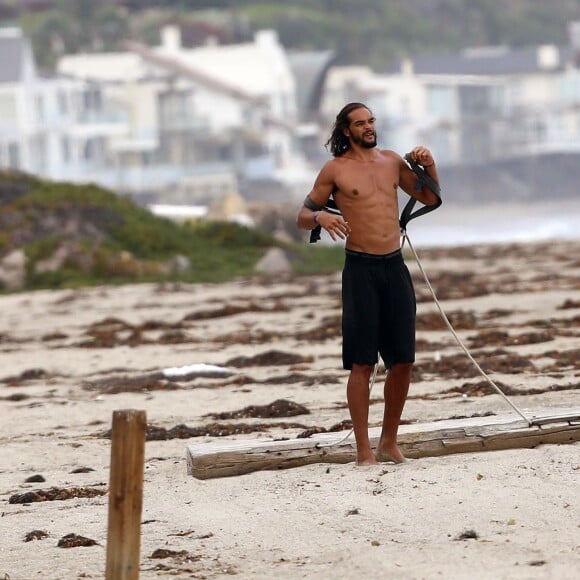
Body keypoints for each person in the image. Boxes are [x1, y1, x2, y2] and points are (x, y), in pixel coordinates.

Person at [296, 102, 441, 465]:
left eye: (371, 121)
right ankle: (363, 450)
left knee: (403, 361)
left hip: (394, 267)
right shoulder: (335, 169)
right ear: (347, 131)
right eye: (360, 123)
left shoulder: (392, 161)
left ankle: (388, 442)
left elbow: (429, 196)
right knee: (362, 363)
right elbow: (301, 216)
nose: (368, 127)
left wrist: (429, 164)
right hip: (360, 270)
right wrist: (321, 217)